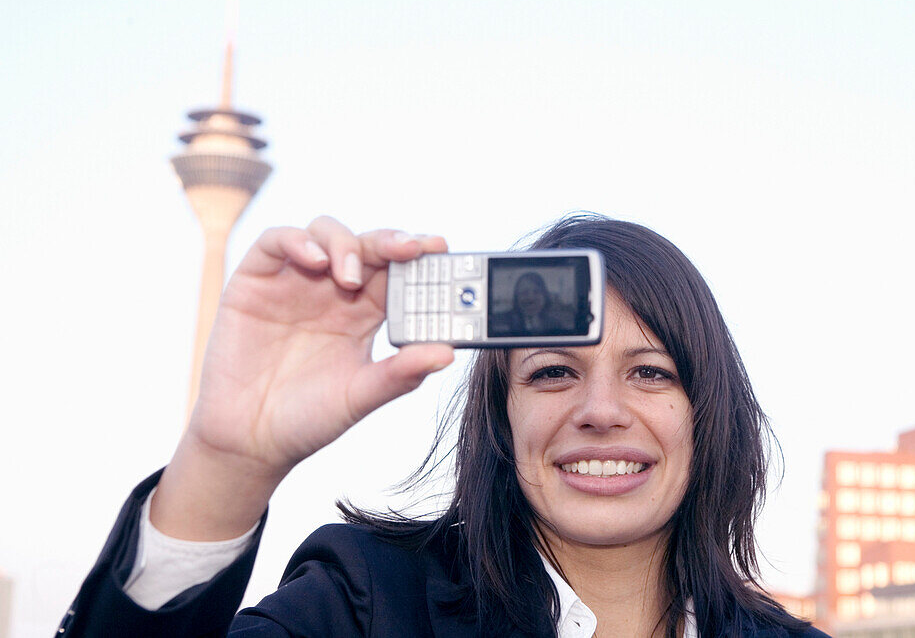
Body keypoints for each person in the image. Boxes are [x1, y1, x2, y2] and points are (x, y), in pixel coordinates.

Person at [59, 214, 829, 638]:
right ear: (500, 415)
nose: (601, 410)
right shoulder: (363, 604)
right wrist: (226, 460)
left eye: (651, 372)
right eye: (553, 371)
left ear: (708, 413)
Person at [493, 271, 573, 335]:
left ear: (544, 296)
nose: (531, 298)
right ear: (516, 297)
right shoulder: (502, 322)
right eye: (524, 293)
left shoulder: (556, 325)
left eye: (536, 292)